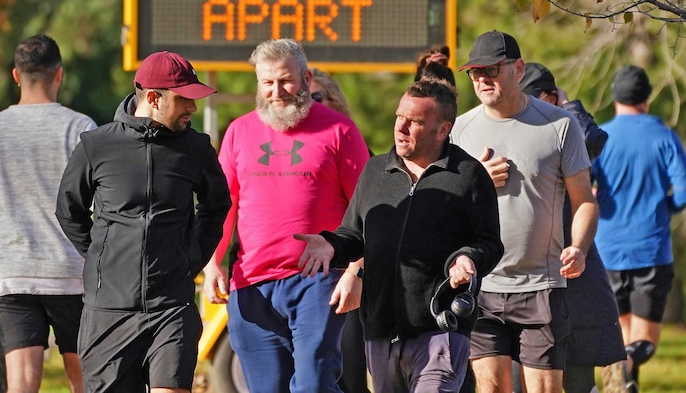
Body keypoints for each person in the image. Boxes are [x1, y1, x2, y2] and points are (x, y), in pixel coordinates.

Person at [296, 79, 504, 393]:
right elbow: (353, 234)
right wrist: (330, 245)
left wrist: (467, 258)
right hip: (380, 329)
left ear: (443, 129)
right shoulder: (375, 170)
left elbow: (489, 243)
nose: (401, 128)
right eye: (399, 117)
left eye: (415, 122)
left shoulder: (469, 175)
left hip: (440, 326)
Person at [55, 50, 231, 393]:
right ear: (153, 98)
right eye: (184, 100)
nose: (192, 109)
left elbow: (216, 204)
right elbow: (69, 209)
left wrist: (192, 255)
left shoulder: (196, 148)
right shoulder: (96, 145)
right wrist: (102, 256)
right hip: (108, 311)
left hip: (171, 307)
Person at [202, 38, 371, 393]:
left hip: (319, 279)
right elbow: (222, 205)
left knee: (313, 383)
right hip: (251, 284)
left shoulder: (340, 131)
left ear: (306, 78)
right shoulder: (238, 132)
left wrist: (356, 270)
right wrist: (212, 261)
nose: (276, 92)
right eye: (267, 82)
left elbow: (368, 209)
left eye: (285, 80)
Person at [450, 31, 599, 393]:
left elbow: (585, 201)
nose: (482, 80)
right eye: (474, 73)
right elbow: (444, 206)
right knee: (491, 388)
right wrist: (476, 181)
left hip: (541, 285)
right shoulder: (459, 129)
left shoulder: (559, 126)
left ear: (518, 68)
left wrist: (578, 247)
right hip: (482, 282)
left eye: (491, 70)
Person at [0, 34, 96, 393]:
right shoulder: (80, 128)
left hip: (14, 274)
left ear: (15, 75)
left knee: (21, 384)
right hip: (72, 273)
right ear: (59, 75)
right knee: (84, 377)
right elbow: (100, 201)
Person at [519, 62, 625, 393]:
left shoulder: (568, 137)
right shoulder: (515, 136)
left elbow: (593, 139)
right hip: (524, 275)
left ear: (549, 98)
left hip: (573, 272)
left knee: (578, 373)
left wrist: (566, 105)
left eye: (533, 100)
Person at [591, 65, 686, 393]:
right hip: (651, 251)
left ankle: (621, 382)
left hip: (606, 253)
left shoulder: (600, 138)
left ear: (615, 96)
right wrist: (666, 208)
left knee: (620, 336)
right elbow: (684, 191)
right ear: (646, 97)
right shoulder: (664, 136)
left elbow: (581, 187)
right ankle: (627, 370)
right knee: (643, 343)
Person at [310, 68, 370, 393]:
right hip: (300, 283)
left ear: (335, 101)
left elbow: (369, 220)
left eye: (316, 97)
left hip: (344, 280)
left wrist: (354, 273)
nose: (309, 105)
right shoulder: (291, 153)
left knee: (347, 378)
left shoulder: (356, 151)